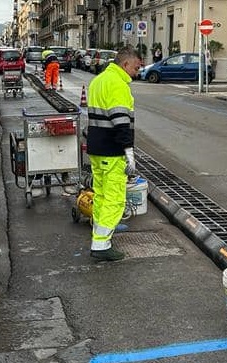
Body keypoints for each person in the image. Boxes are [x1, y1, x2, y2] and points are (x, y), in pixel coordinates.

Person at [86, 46, 142, 261]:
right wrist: (129, 153)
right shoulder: (118, 85)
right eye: (136, 68)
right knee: (115, 199)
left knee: (100, 195)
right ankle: (101, 246)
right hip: (112, 151)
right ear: (125, 64)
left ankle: (99, 237)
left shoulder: (98, 80)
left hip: (97, 149)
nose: (137, 72)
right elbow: (121, 122)